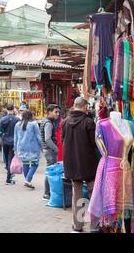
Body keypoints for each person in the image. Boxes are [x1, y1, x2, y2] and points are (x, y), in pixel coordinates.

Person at [62, 97, 100, 233]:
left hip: (71, 163)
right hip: (88, 163)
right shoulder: (89, 122)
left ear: (74, 106)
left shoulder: (65, 122)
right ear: (84, 107)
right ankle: (95, 226)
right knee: (93, 193)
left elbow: (63, 140)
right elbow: (94, 144)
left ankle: (77, 226)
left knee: (77, 194)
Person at [14, 110, 43, 189]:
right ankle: (27, 180)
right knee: (35, 164)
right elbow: (38, 137)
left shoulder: (17, 124)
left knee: (25, 163)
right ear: (31, 116)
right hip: (32, 147)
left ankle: (27, 180)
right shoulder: (34, 124)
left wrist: (15, 149)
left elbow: (15, 138)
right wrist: (42, 147)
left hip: (21, 148)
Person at [39, 104, 60, 200]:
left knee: (49, 171)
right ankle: (47, 194)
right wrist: (56, 149)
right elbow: (47, 139)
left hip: (47, 149)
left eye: (58, 112)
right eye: (55, 112)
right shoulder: (48, 123)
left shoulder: (46, 121)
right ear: (49, 112)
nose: (58, 114)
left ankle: (47, 193)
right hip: (49, 150)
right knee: (50, 172)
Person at [0, 104, 20, 185]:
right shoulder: (17, 120)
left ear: (6, 109)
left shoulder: (3, 119)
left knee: (6, 159)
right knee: (10, 159)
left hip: (5, 142)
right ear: (13, 109)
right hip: (14, 142)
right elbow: (20, 132)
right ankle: (9, 179)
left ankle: (9, 175)